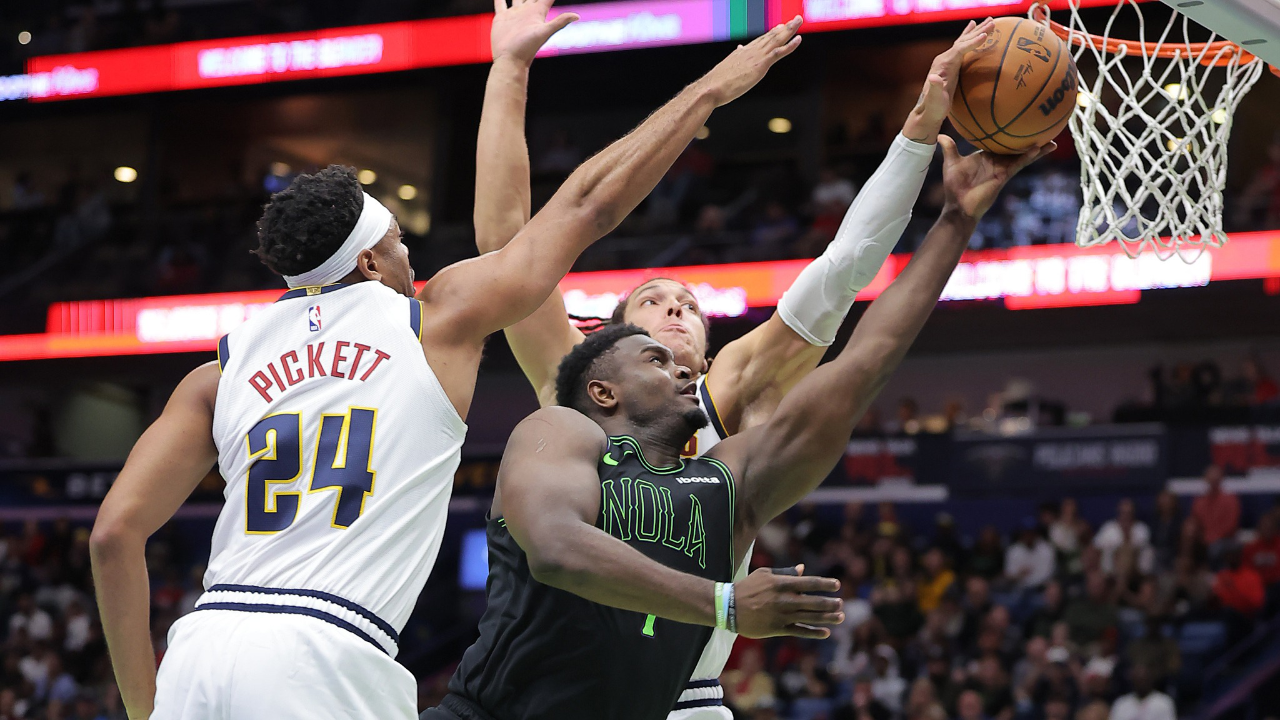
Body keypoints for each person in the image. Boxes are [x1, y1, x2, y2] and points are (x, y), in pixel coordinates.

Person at [87, 7, 800, 717]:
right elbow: (586, 205)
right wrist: (706, 92)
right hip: (324, 656)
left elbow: (114, 536)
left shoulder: (219, 371)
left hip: (202, 646)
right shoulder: (432, 323)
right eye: (398, 240)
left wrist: (147, 708)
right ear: (369, 262)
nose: (409, 254)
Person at [472, 4, 1001, 717]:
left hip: (688, 694)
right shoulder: (570, 384)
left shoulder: (733, 393)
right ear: (608, 352)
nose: (674, 309)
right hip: (561, 689)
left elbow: (844, 270)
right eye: (653, 302)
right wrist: (508, 70)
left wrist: (917, 131)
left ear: (707, 349)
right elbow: (505, 243)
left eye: (689, 307)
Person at [1191, 464, 1240, 555]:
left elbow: (1231, 526)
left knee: (1215, 548)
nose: (1213, 479)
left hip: (1225, 540)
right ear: (1205, 478)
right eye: (1211, 476)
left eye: (1216, 477)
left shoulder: (1230, 500)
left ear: (1221, 478)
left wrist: (1212, 538)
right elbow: (1195, 523)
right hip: (1203, 540)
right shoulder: (1199, 501)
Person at [1108, 667, 1175, 720]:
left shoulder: (1163, 702)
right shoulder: (1121, 703)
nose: (1141, 684)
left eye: (1144, 680)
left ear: (1150, 680)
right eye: (1138, 680)